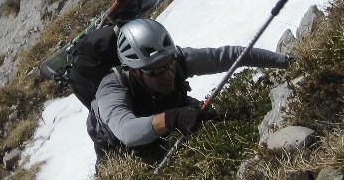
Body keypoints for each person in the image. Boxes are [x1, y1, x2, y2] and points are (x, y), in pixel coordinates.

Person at [87, 18, 293, 160]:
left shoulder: (178, 60)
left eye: (169, 65)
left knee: (216, 119)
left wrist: (287, 62)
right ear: (134, 70)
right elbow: (126, 131)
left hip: (168, 109)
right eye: (155, 72)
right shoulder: (111, 89)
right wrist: (173, 118)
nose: (168, 75)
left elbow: (232, 56)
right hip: (120, 149)